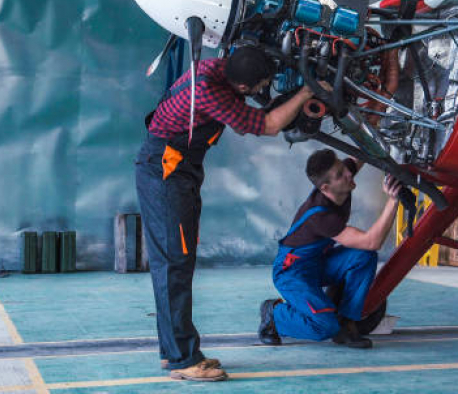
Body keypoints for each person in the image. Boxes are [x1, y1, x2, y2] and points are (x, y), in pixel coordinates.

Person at [135, 46, 326, 382]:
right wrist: (309, 91)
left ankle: (174, 351)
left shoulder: (217, 67)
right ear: (241, 87)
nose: (260, 91)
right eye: (258, 87)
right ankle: (182, 360)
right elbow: (266, 125)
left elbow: (250, 116)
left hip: (180, 169)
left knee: (179, 262)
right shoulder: (209, 91)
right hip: (165, 172)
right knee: (173, 264)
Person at [258, 149, 402, 348]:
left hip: (318, 263)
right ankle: (275, 314)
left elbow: (359, 155)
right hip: (292, 273)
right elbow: (372, 241)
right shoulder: (320, 216)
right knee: (324, 327)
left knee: (363, 256)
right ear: (326, 187)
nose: (348, 174)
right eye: (340, 175)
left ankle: (346, 324)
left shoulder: (341, 180)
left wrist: (374, 123)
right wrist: (394, 200)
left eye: (343, 168)